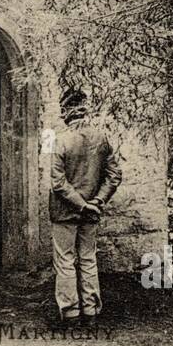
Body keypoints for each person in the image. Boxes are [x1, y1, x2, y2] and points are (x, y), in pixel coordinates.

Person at [49, 89, 122, 324]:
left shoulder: (60, 141)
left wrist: (81, 205)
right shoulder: (101, 138)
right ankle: (91, 312)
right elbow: (114, 176)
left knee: (65, 260)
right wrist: (96, 202)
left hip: (64, 211)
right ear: (84, 110)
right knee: (89, 258)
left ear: (65, 112)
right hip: (91, 210)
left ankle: (70, 314)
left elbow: (58, 183)